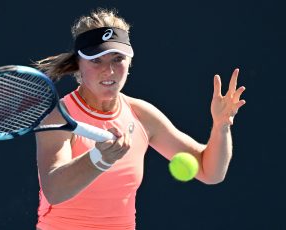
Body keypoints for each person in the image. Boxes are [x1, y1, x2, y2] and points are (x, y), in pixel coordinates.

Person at [34, 8, 246, 230]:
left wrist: (221, 127)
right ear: (79, 63)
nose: (109, 70)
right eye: (96, 60)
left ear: (129, 62)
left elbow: (210, 171)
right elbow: (55, 190)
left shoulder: (142, 116)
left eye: (118, 59)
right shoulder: (59, 117)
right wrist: (100, 158)